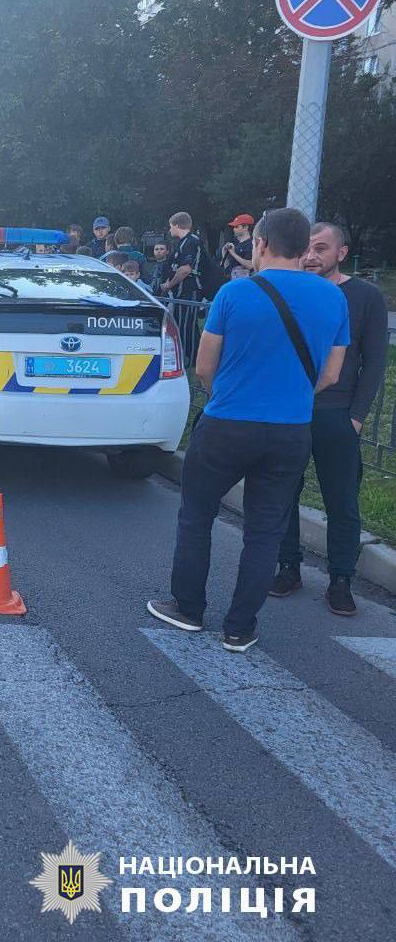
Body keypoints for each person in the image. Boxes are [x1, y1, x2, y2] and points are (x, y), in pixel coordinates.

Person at [148, 207, 349, 653]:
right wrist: (291, 395)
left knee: (197, 515)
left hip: (227, 425)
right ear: (303, 248)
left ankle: (188, 608)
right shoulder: (333, 298)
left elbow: (204, 366)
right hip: (291, 431)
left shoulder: (235, 296)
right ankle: (240, 627)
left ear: (259, 244)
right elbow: (332, 375)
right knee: (265, 530)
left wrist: (230, 393)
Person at [270, 223, 389, 615]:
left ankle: (341, 579)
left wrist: (356, 418)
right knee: (283, 492)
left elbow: (374, 363)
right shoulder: (291, 291)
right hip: (290, 411)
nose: (310, 256)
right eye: (306, 248)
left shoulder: (366, 296)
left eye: (321, 248)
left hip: (337, 415)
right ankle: (288, 567)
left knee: (342, 502)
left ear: (341, 253)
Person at [157, 212, 203, 300]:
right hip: (180, 292)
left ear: (177, 226)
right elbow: (175, 266)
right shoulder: (181, 243)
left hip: (190, 292)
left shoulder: (191, 241)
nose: (170, 230)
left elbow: (185, 269)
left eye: (171, 227)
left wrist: (169, 285)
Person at [222, 213, 255, 281]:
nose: (234, 229)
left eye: (237, 227)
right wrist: (224, 251)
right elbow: (227, 267)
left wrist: (233, 253)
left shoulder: (251, 244)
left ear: (245, 227)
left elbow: (250, 265)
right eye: (233, 227)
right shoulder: (235, 244)